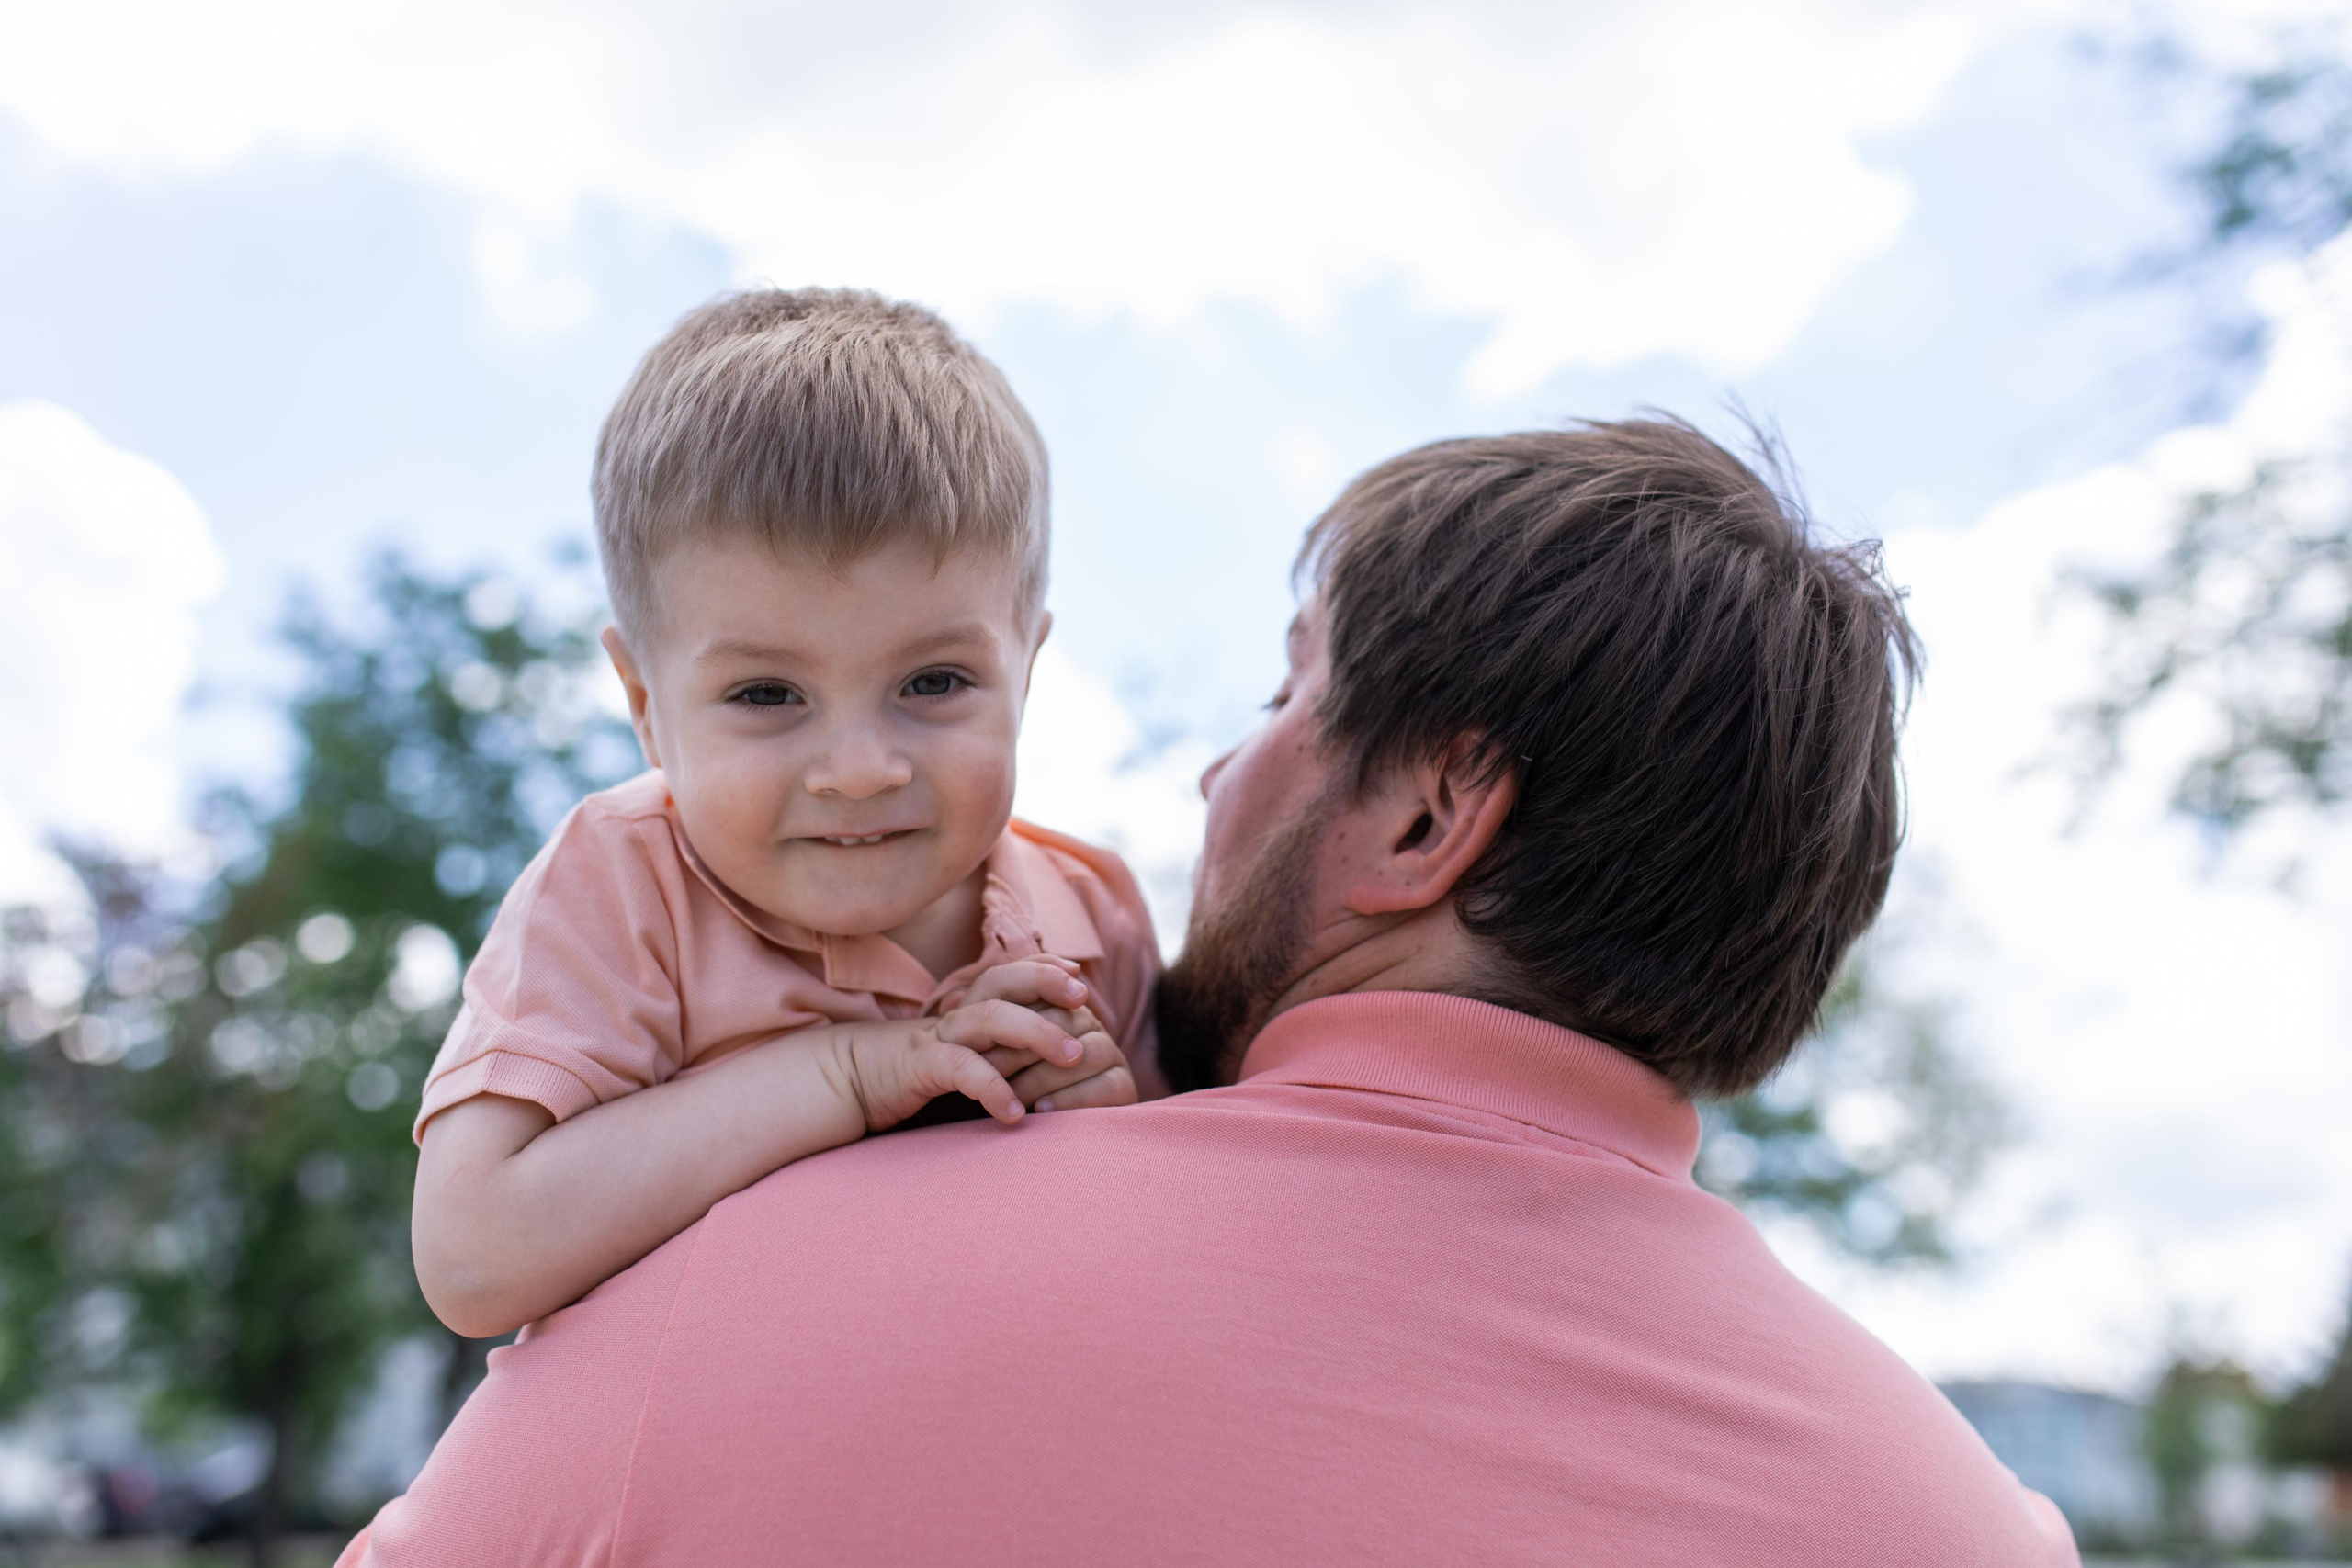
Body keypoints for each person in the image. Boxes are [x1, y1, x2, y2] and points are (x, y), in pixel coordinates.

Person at [343, 420, 2081, 1566]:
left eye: (1282, 695)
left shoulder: (726, 1304)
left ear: (1427, 816)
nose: (1209, 777)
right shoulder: (1963, 1528)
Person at [407, 288, 1155, 1340]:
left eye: (935, 682)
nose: (860, 770)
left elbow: (1169, 1254)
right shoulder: (626, 885)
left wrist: (1116, 1135)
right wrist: (850, 1074)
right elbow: (473, 1256)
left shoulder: (1090, 917)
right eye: (767, 695)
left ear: (1025, 669)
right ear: (645, 706)